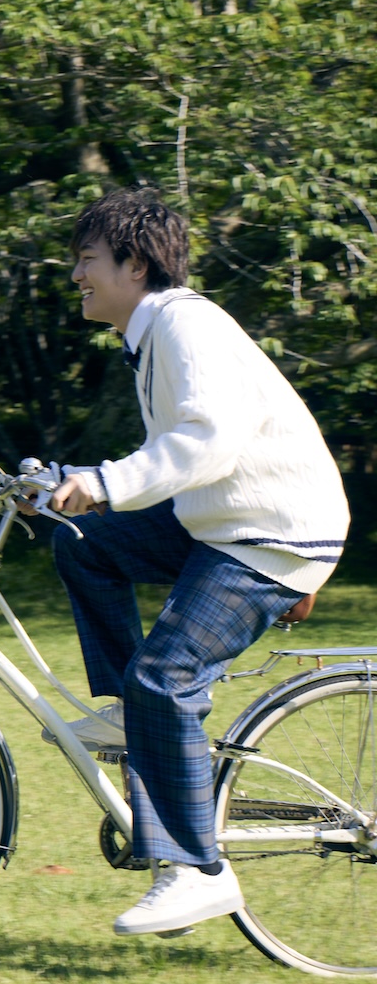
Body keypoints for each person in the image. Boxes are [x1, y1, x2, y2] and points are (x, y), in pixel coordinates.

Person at [44, 188, 349, 936]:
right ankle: (125, 715)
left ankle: (196, 869)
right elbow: (178, 459)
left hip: (272, 535)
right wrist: (69, 489)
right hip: (220, 522)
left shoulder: (187, 327)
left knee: (166, 675)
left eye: (86, 259)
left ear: (135, 264)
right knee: (81, 543)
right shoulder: (153, 334)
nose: (76, 274)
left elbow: (206, 440)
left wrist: (108, 482)